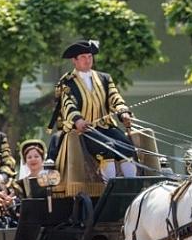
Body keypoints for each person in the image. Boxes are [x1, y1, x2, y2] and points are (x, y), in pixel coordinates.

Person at [47, 39, 137, 182]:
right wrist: (78, 120)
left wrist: (122, 111)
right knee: (108, 148)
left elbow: (114, 97)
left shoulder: (104, 78)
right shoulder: (68, 82)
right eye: (83, 57)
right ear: (74, 60)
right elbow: (68, 104)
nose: (88, 60)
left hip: (105, 126)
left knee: (127, 148)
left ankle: (132, 187)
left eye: (90, 56)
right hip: (84, 130)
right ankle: (110, 187)